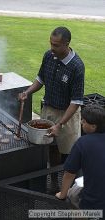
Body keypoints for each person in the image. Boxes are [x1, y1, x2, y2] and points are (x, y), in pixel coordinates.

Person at [19, 26, 85, 164]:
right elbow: (40, 79)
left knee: (69, 152)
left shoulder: (77, 66)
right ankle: (53, 180)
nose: (52, 47)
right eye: (51, 43)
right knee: (51, 148)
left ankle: (69, 183)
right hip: (49, 109)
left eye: (56, 45)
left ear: (66, 45)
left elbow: (76, 102)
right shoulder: (49, 55)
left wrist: (60, 124)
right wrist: (27, 92)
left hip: (68, 114)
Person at [56, 104, 105, 216]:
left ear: (93, 126)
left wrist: (62, 195)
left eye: (84, 121)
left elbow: (69, 174)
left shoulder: (82, 143)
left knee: (73, 196)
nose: (81, 122)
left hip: (94, 203)